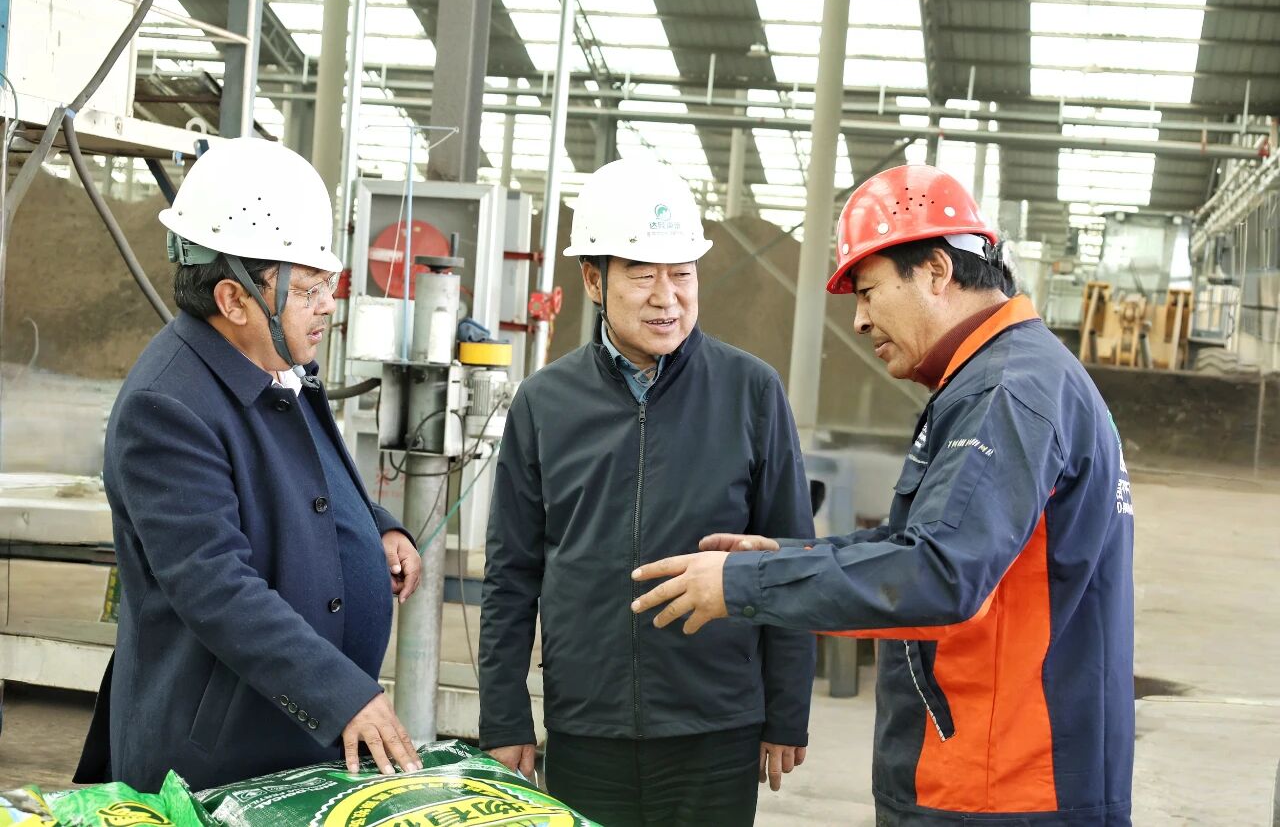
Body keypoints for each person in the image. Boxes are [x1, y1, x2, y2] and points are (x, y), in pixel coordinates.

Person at [632, 164, 1136, 826]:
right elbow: (922, 544)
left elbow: (939, 573)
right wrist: (786, 555)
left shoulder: (1006, 393)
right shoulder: (1008, 377)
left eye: (868, 292)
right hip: (997, 773)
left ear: (936, 271)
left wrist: (744, 584)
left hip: (1000, 789)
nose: (861, 320)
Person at [75, 137, 424, 792]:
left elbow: (303, 476)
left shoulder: (273, 361)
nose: (328, 305)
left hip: (296, 738)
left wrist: (374, 524)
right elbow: (215, 585)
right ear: (234, 300)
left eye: (328, 284)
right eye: (309, 289)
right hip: (216, 763)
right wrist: (339, 693)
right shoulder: (167, 407)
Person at [479, 158, 817, 826]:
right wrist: (504, 715)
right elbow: (512, 572)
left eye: (682, 273)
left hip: (715, 725)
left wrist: (787, 710)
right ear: (593, 279)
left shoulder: (751, 392)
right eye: (642, 274)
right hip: (587, 725)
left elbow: (790, 555)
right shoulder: (544, 403)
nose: (668, 297)